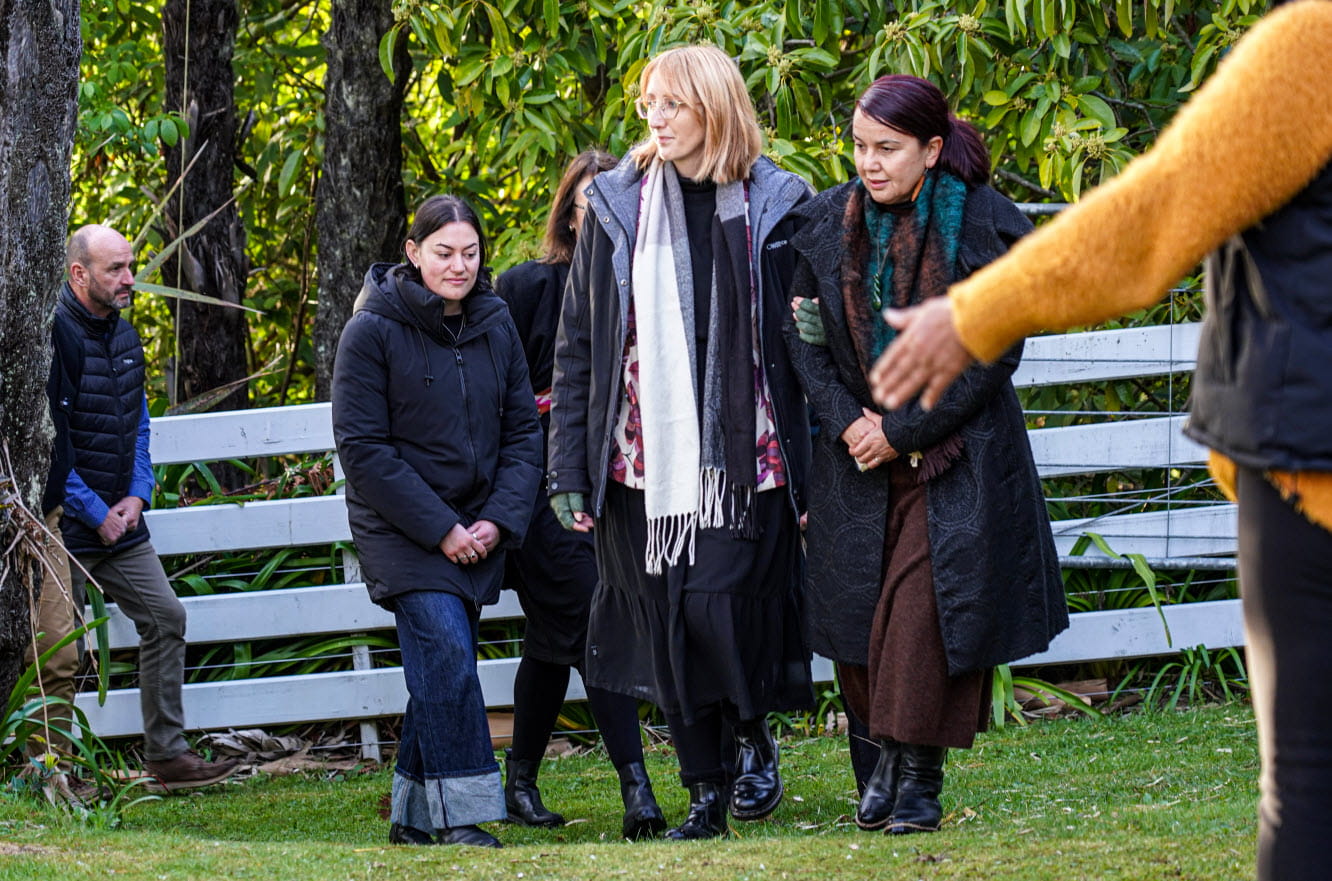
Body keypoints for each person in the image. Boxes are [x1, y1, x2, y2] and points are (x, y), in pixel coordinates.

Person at [866, 2, 1332, 874]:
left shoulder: (1316, 47)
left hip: (1313, 478)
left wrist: (977, 311)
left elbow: (1154, 217)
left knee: (1311, 786)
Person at [783, 75, 1067, 834]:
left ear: (931, 149)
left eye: (887, 148)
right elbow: (801, 341)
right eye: (858, 147)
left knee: (920, 616)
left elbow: (991, 351)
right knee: (859, 618)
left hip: (954, 459)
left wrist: (899, 429)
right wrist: (851, 425)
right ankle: (879, 769)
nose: (868, 163)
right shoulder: (823, 225)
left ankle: (917, 780)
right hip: (856, 461)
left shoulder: (978, 225)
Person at [546, 45, 814, 840]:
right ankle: (705, 792)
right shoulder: (617, 206)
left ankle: (748, 721)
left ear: (714, 108)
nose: (654, 119)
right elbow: (577, 345)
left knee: (715, 608)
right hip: (642, 462)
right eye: (647, 105)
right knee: (669, 619)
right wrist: (568, 464)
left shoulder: (779, 202)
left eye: (671, 104)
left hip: (749, 458)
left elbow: (811, 329)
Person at [332, 195, 542, 849]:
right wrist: (443, 529)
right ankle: (463, 816)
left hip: (477, 528)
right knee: (449, 655)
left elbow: (522, 433)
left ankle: (412, 817)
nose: (459, 266)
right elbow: (363, 450)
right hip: (401, 529)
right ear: (413, 251)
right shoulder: (371, 331)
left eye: (471, 253)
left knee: (437, 667)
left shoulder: (496, 320)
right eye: (444, 252)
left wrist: (495, 523)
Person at [494, 149, 667, 840]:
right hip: (541, 484)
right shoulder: (527, 286)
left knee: (552, 637)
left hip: (622, 480)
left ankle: (520, 781)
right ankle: (638, 787)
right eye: (588, 203)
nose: (601, 216)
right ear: (568, 212)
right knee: (596, 621)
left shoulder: (650, 286)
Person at [58, 224, 239, 792]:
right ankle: (50, 771)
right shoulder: (54, 336)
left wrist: (138, 495)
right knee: (55, 653)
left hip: (120, 520)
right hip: (60, 524)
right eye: (116, 269)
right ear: (78, 274)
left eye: (130, 266)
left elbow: (139, 424)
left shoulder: (126, 334)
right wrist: (96, 513)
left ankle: (167, 756)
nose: (130, 279)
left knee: (167, 618)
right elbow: (45, 446)